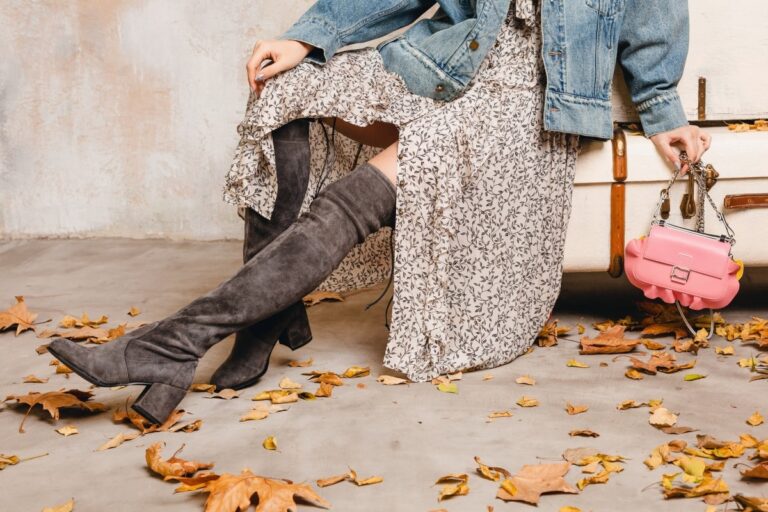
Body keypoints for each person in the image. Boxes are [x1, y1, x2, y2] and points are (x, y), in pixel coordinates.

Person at [48, 0, 711, 425]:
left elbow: (653, 24)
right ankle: (260, 328)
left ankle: (172, 346)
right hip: (448, 63)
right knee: (287, 90)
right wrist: (309, 40)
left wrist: (664, 111)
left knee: (388, 174)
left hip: (526, 106)